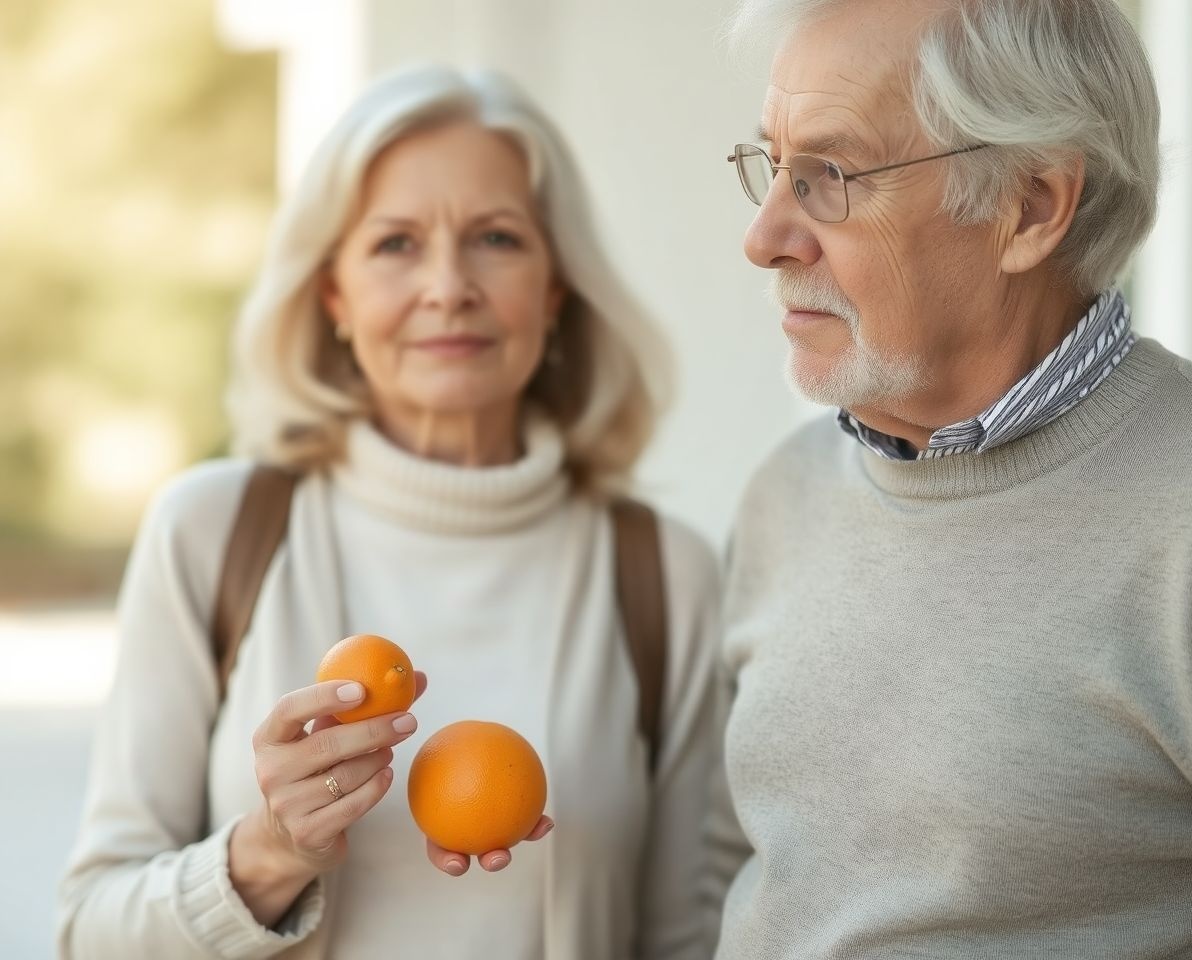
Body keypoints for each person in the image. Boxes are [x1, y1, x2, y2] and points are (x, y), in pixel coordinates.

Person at [58, 65, 720, 960]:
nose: (448, 286)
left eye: (495, 237)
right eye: (396, 244)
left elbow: (691, 937)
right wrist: (268, 853)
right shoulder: (212, 533)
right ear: (333, 293)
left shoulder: (665, 576)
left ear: (556, 288)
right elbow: (88, 933)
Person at [709, 0, 1192, 957]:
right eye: (773, 166)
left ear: (1031, 206)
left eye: (830, 175)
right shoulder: (785, 493)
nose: (765, 237)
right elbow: (728, 871)